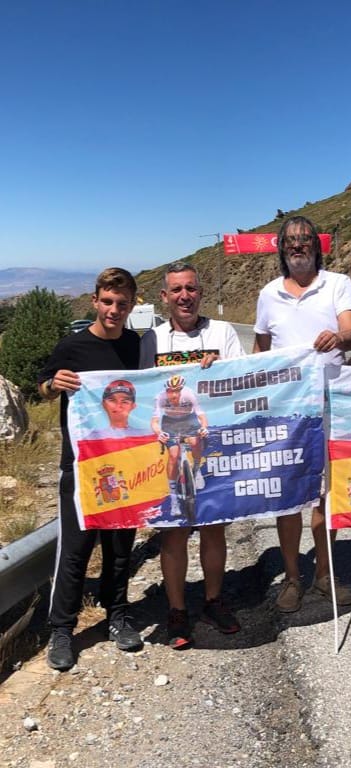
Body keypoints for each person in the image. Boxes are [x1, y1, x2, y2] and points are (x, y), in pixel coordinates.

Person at [253, 215, 351, 613]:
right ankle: (292, 578)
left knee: (325, 494)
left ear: (317, 246)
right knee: (288, 496)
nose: (298, 246)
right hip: (286, 410)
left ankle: (324, 574)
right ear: (281, 249)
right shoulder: (268, 294)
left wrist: (338, 336)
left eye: (305, 240)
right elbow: (261, 351)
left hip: (330, 405)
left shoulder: (338, 283)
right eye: (290, 241)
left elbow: (350, 333)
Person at [37, 268, 144, 671]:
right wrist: (54, 384)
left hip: (127, 461)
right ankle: (62, 630)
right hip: (82, 464)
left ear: (131, 305)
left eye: (122, 303)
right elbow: (43, 387)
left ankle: (117, 616)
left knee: (120, 547)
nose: (114, 310)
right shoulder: (72, 345)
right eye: (107, 301)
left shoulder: (136, 345)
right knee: (75, 550)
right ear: (95, 301)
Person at [140, 262, 245, 649]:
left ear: (200, 292)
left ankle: (213, 602)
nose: (184, 296)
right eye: (176, 290)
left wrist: (220, 371)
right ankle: (177, 610)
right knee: (174, 530)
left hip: (210, 442)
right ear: (164, 297)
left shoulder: (223, 332)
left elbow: (242, 381)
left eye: (191, 288)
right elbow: (141, 392)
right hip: (167, 443)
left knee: (214, 526)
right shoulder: (151, 340)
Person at [151, 373, 209, 512]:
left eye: (177, 391)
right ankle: (174, 499)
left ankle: (196, 469)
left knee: (195, 442)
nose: (173, 394)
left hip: (189, 419)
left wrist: (203, 428)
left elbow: (201, 415)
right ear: (166, 390)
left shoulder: (189, 394)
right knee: (173, 455)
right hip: (170, 423)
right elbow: (155, 421)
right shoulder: (160, 398)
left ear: (181, 390)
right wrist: (159, 433)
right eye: (170, 391)